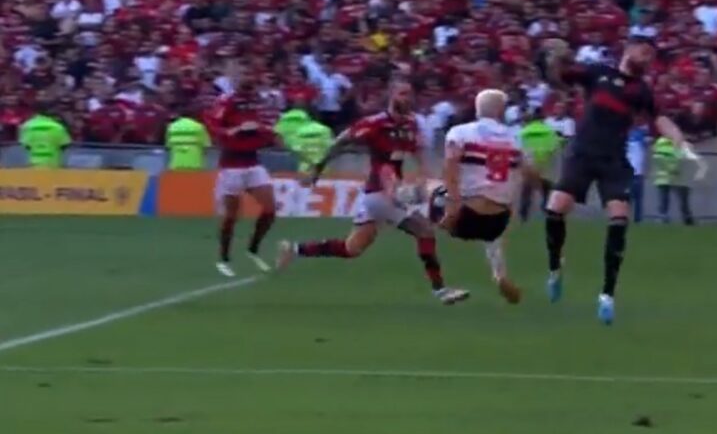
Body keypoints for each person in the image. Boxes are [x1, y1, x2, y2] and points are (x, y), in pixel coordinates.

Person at [276, 78, 470, 306]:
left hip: (379, 194)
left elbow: (417, 155)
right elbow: (342, 141)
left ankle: (294, 249)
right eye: (402, 94)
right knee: (424, 231)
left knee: (352, 248)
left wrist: (426, 179)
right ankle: (440, 290)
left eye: (409, 94)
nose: (407, 98)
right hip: (380, 193)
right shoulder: (376, 123)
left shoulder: (410, 125)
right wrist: (318, 169)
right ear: (391, 95)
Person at [541, 40, 690, 325]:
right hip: (582, 153)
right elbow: (560, 78)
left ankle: (607, 295)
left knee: (619, 219)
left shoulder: (641, 90)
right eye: (644, 52)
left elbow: (660, 118)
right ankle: (555, 267)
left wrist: (678, 138)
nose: (647, 59)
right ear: (629, 50)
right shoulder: (598, 72)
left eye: (651, 57)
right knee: (555, 210)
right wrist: (555, 60)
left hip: (613, 159)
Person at [432, 88, 539, 304]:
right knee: (493, 233)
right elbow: (531, 174)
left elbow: (450, 168)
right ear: (501, 111)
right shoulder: (516, 137)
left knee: (423, 190)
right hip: (498, 220)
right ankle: (500, 274)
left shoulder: (460, 132)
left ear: (477, 108)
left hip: (465, 216)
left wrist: (452, 206)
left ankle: (438, 284)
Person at [208, 69, 278, 277]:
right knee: (232, 216)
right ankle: (224, 258)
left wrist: (266, 132)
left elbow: (266, 126)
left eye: (251, 75)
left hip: (253, 161)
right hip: (232, 165)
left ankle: (253, 249)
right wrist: (236, 129)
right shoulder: (227, 101)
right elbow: (214, 126)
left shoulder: (257, 101)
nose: (249, 79)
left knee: (270, 209)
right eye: (245, 75)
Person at [517, 108, 560, 221]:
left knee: (527, 191)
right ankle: (548, 211)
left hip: (529, 164)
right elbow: (554, 147)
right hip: (544, 165)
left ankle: (523, 215)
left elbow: (518, 149)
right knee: (547, 190)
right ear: (543, 120)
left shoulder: (523, 132)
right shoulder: (550, 132)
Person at [652, 135, 695, 225]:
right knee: (679, 198)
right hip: (675, 176)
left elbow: (657, 156)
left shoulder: (662, 142)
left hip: (667, 176)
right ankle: (686, 217)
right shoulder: (674, 142)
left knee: (667, 198)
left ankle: (666, 216)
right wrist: (674, 168)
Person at [18, 103, 71, 169]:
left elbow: (25, 145)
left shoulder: (27, 126)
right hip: (53, 164)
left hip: (34, 164)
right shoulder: (58, 127)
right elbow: (65, 145)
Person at [626, 122, 650, 223]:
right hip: (635, 172)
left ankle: (629, 218)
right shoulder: (639, 135)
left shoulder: (628, 135)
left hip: (631, 172)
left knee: (631, 198)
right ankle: (636, 220)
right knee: (636, 199)